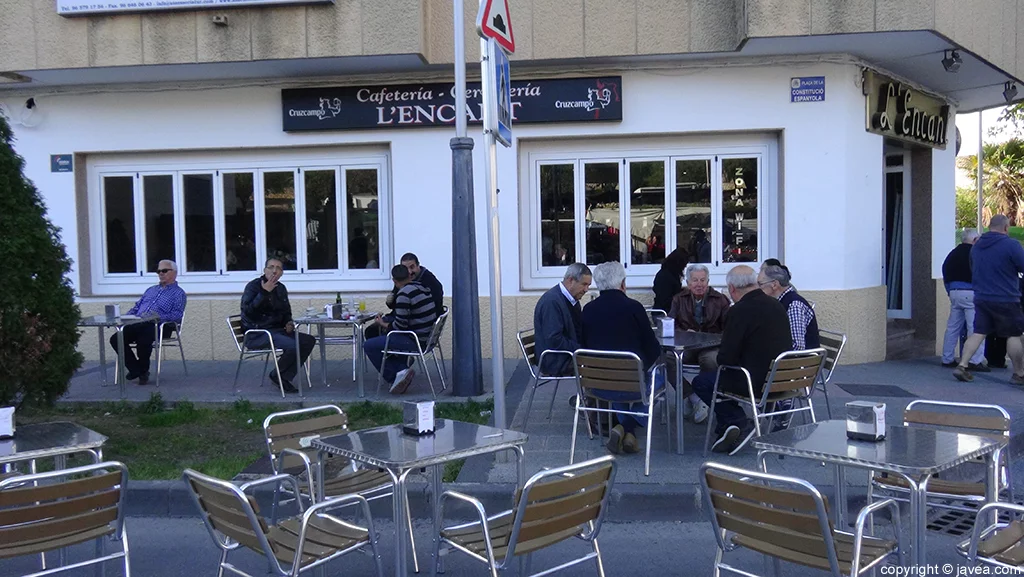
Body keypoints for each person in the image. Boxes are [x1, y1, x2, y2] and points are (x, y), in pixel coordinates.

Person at [691, 265, 792, 455]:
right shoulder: (776, 305)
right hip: (781, 381)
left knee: (702, 382)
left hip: (753, 383)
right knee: (719, 381)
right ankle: (726, 427)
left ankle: (737, 421)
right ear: (755, 283)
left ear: (732, 289)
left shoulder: (739, 311)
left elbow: (725, 358)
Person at [581, 262, 664, 454]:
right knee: (659, 375)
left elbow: (583, 347)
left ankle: (626, 430)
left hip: (598, 386)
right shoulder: (634, 308)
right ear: (623, 284)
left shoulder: (587, 310)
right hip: (631, 385)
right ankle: (626, 427)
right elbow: (652, 350)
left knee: (618, 376)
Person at [954, 215, 1024, 384]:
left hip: (981, 296)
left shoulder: (976, 246)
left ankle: (962, 365)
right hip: (1006, 297)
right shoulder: (1011, 245)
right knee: (1013, 335)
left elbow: (972, 267)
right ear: (1006, 228)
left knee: (979, 332)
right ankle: (1019, 373)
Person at [758, 262, 819, 430]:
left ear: (774, 285)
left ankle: (781, 407)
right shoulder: (780, 301)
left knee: (753, 365)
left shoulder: (793, 305)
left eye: (760, 284)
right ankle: (767, 406)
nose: (758, 289)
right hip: (791, 361)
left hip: (801, 366)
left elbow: (796, 347)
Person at [240, 258, 316, 394]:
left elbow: (286, 312)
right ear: (265, 270)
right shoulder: (253, 287)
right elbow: (248, 312)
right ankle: (280, 377)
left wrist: (289, 322)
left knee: (308, 341)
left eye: (278, 268)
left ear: (282, 273)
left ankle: (281, 375)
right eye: (271, 267)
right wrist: (264, 293)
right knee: (293, 345)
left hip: (277, 331)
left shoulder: (281, 288)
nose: (274, 271)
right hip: (258, 333)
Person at [109, 259, 187, 386]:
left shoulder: (178, 293)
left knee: (143, 339)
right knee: (116, 338)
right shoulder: (151, 290)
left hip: (161, 325)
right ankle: (137, 370)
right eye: (158, 271)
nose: (161, 273)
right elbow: (136, 307)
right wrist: (124, 318)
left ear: (174, 273)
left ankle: (142, 371)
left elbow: (177, 315)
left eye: (164, 271)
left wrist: (157, 317)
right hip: (139, 323)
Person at [363, 265, 438, 394]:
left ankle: (396, 376)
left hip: (416, 340)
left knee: (369, 345)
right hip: (428, 338)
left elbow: (400, 327)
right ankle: (402, 369)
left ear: (394, 280)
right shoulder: (423, 288)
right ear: (409, 275)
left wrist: (381, 323)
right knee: (383, 337)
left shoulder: (404, 294)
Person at [534, 263, 592, 376]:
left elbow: (578, 330)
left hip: (563, 357)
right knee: (601, 364)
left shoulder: (572, 299)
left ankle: (591, 393)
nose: (586, 290)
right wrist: (582, 349)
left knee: (601, 358)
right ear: (571, 280)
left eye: (588, 285)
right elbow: (554, 339)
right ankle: (594, 393)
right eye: (584, 284)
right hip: (555, 361)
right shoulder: (551, 302)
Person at [941, 229, 987, 370]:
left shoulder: (952, 254)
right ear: (974, 240)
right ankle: (975, 360)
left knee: (952, 327)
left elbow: (945, 271)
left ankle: (947, 358)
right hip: (971, 293)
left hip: (954, 293)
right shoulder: (975, 254)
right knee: (975, 328)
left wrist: (950, 291)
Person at [652, 248, 689, 312]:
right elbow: (665, 299)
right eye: (684, 264)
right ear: (679, 263)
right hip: (664, 312)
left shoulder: (670, 273)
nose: (685, 267)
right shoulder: (665, 277)